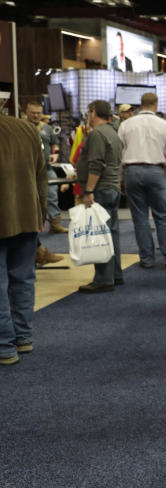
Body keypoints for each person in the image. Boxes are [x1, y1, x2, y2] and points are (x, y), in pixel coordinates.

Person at [0, 113, 47, 365]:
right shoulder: (27, 129)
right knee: (23, 280)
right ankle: (23, 338)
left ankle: (4, 346)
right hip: (28, 215)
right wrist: (42, 211)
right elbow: (42, 174)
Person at [118, 92, 166, 269]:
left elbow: (120, 153)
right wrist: (164, 170)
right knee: (163, 216)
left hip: (132, 171)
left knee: (140, 217)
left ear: (140, 104)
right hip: (156, 170)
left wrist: (121, 177)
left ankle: (147, 259)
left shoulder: (126, 125)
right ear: (156, 104)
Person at [75, 100, 125, 292]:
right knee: (111, 233)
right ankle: (115, 274)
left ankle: (104, 279)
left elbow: (96, 164)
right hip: (111, 187)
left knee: (100, 234)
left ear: (93, 112)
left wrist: (88, 191)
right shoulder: (113, 133)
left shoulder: (97, 134)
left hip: (101, 189)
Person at [25, 101, 66, 233]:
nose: (36, 116)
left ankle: (55, 224)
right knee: (29, 198)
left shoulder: (47, 128)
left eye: (38, 113)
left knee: (52, 195)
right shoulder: (21, 126)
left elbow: (55, 144)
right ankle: (30, 227)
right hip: (27, 170)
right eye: (33, 113)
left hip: (47, 169)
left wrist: (55, 154)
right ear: (27, 112)